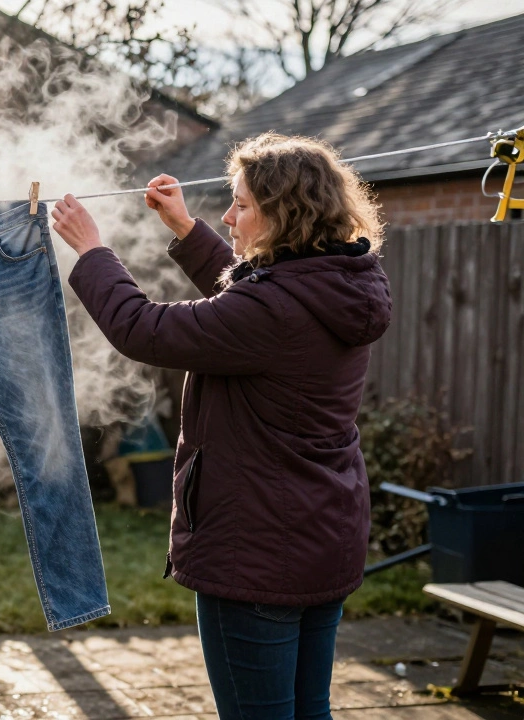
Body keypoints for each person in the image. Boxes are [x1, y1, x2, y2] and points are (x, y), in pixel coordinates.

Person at [50, 132, 392, 720]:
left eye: (240, 205)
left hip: (257, 551)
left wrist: (91, 252)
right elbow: (253, 300)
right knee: (309, 710)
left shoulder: (273, 310)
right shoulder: (338, 283)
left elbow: (145, 330)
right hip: (321, 539)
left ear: (284, 215)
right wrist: (185, 227)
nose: (229, 217)